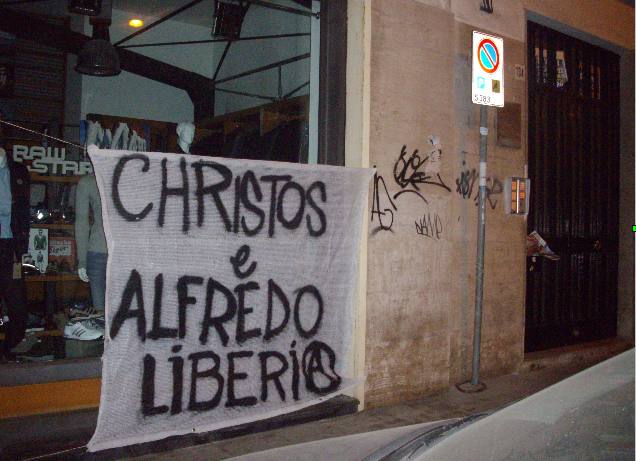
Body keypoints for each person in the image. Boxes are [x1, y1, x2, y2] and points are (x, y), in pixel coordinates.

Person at [0, 145, 30, 358]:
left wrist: (23, 247)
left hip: (11, 246)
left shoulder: (18, 170)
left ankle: (7, 349)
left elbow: (23, 211)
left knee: (18, 307)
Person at [75, 174, 107, 314]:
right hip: (101, 252)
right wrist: (82, 260)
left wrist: (82, 260)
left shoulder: (88, 182)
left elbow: (82, 222)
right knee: (103, 313)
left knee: (115, 314)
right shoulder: (89, 182)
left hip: (108, 253)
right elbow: (81, 223)